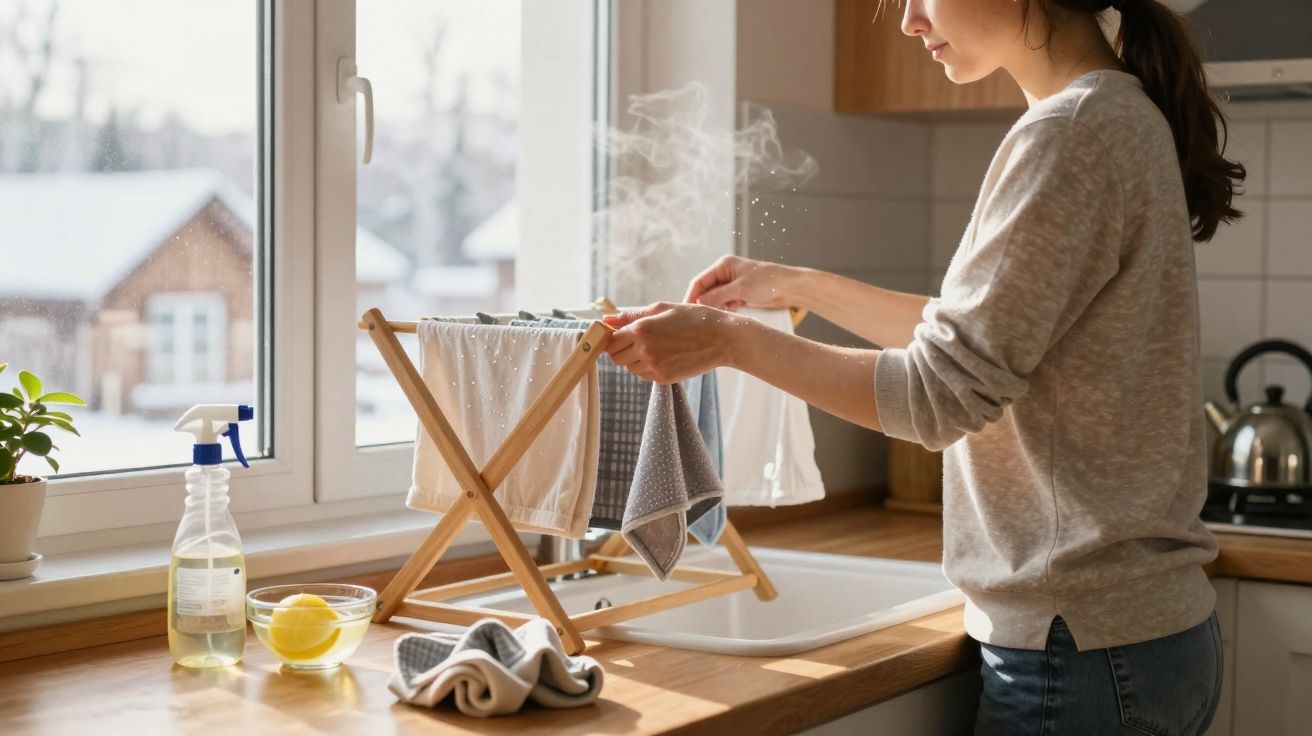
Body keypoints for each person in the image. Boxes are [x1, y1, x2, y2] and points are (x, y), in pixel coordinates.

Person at [601, 0, 1245, 733]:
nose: (908, 20)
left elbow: (937, 396)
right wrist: (797, 287)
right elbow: (978, 341)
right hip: (1128, 641)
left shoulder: (1070, 134)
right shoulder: (1111, 116)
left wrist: (728, 341)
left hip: (1078, 647)